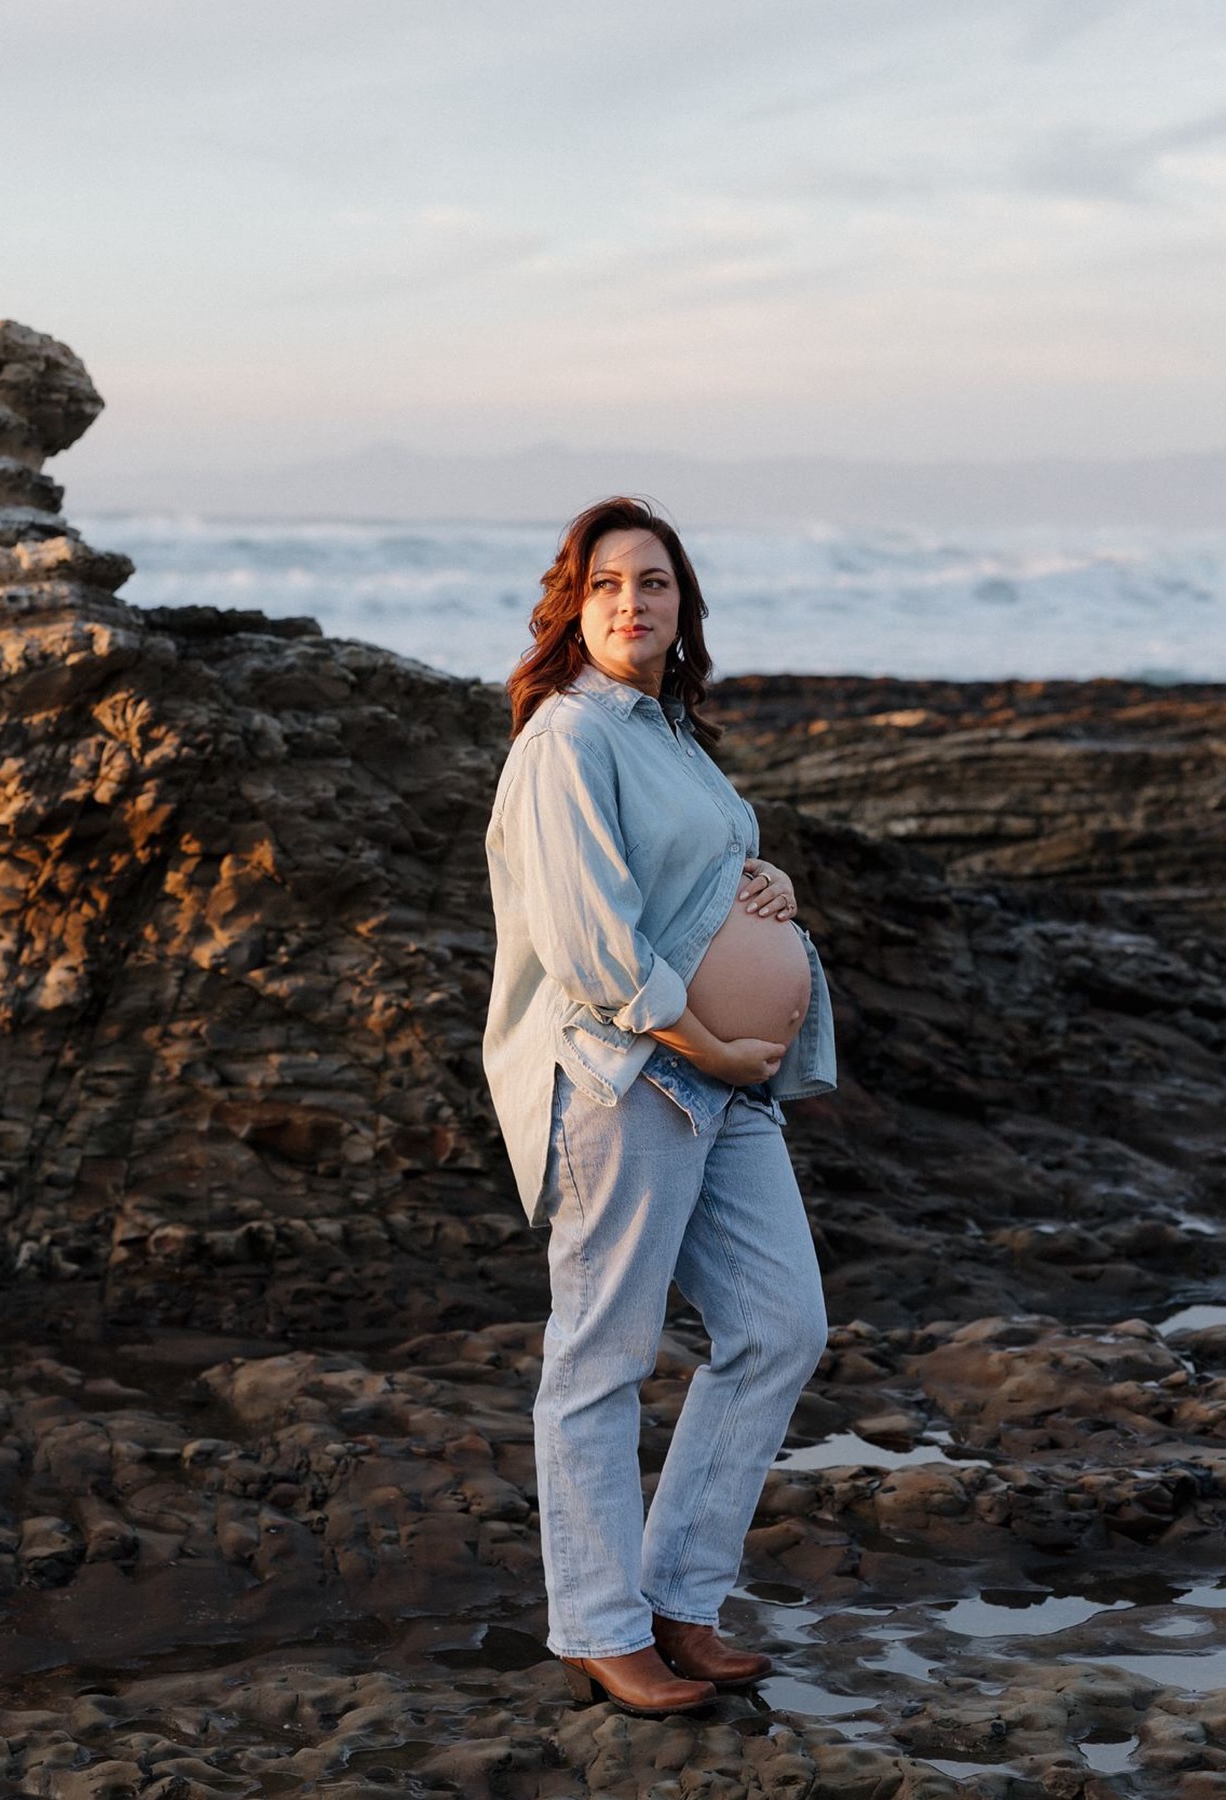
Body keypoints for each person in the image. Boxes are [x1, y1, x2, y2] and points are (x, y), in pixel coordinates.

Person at [483, 496, 838, 1716]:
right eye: (607, 584)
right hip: (629, 1075)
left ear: (684, 607)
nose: (632, 601)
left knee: (780, 1327)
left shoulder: (673, 735)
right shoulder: (567, 740)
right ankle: (600, 1624)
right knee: (603, 1355)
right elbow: (592, 943)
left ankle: (680, 1597)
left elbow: (698, 878)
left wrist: (763, 877)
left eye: (654, 582)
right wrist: (714, 1043)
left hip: (723, 1085)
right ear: (572, 608)